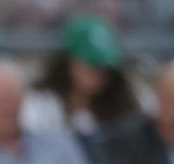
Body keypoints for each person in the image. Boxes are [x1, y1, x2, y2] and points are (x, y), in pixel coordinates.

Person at [21, 14, 143, 152]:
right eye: (92, 64)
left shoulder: (124, 106)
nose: (100, 72)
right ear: (70, 61)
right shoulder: (40, 105)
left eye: (105, 65)